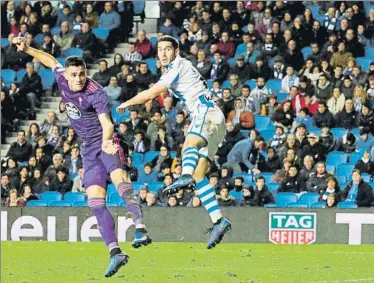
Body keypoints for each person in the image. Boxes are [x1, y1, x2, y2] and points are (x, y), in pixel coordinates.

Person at [12, 37, 149, 277]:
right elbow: (50, 60)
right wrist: (27, 49)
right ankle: (116, 252)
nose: (77, 79)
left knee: (120, 181)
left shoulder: (96, 92)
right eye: (74, 74)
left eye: (82, 74)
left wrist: (107, 141)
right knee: (95, 201)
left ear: (86, 73)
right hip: (87, 148)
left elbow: (106, 123)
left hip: (107, 142)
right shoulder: (62, 77)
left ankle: (140, 228)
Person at [116, 36, 231, 249]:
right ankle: (218, 220)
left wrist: (128, 102)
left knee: (189, 145)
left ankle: (184, 176)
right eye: (160, 49)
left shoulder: (178, 65)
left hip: (206, 114)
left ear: (176, 50)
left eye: (168, 49)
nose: (163, 53)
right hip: (216, 120)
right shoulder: (174, 69)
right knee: (199, 175)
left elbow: (151, 93)